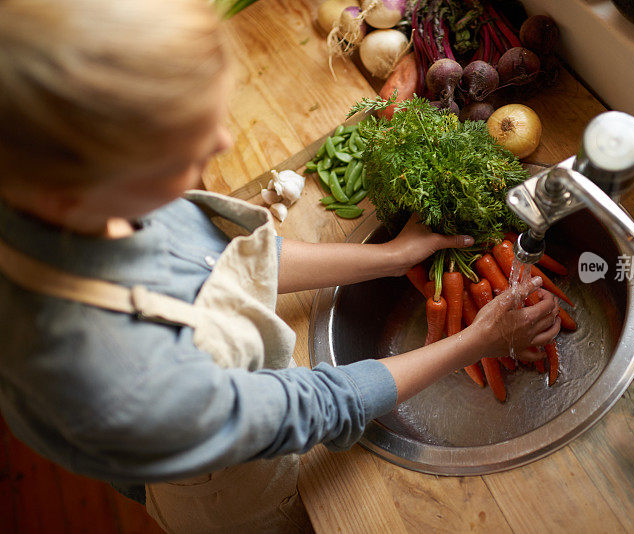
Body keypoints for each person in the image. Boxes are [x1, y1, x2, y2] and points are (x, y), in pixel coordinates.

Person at [0, 0, 562, 532]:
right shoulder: (117, 376)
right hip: (228, 495)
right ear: (83, 183)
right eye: (182, 142)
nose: (220, 140)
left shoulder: (69, 191)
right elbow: (317, 407)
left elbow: (227, 260)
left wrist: (391, 257)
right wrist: (476, 341)